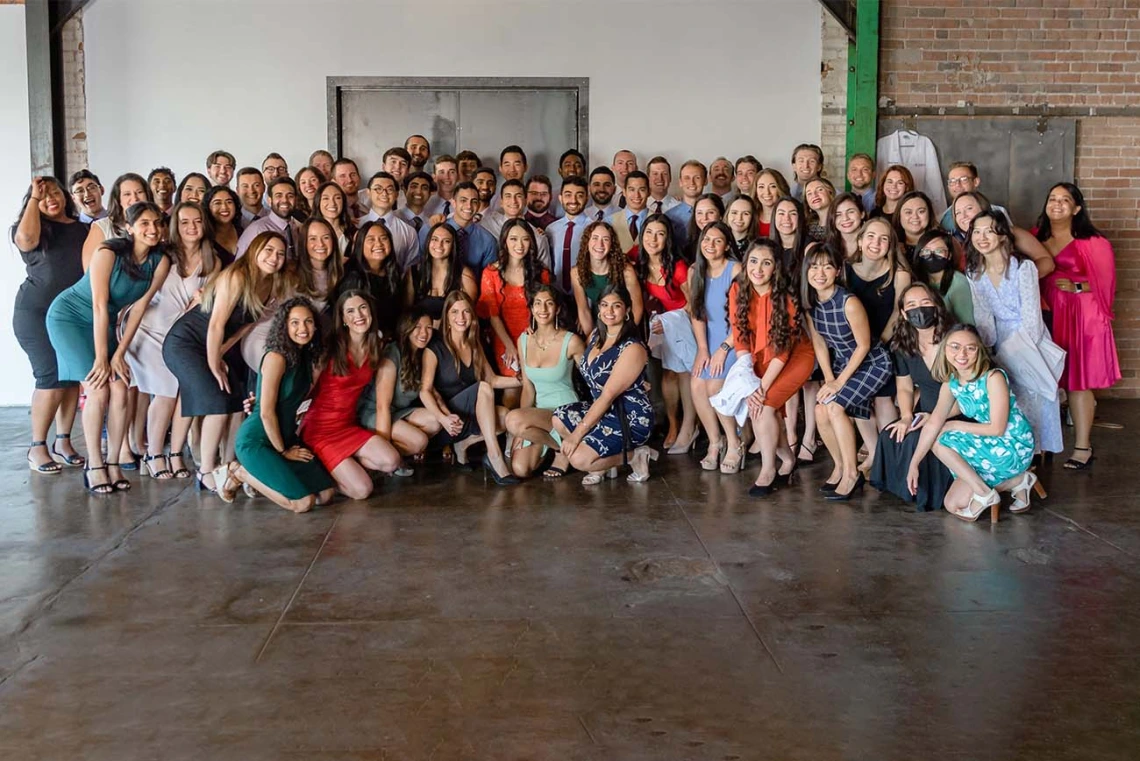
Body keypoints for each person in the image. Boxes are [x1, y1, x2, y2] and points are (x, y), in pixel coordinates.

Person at [46, 202, 170, 494]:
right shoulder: (108, 253)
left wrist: (119, 354)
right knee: (98, 386)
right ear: (129, 228)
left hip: (108, 324)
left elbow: (138, 309)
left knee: (121, 386)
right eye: (144, 224)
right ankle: (95, 463)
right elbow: (99, 306)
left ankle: (114, 461)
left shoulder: (160, 261)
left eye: (157, 223)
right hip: (72, 317)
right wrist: (103, 358)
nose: (152, 229)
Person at [164, 232, 290, 492]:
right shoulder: (237, 276)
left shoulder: (270, 286)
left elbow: (243, 328)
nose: (274, 257)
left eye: (280, 253)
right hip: (186, 342)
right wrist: (213, 363)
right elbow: (216, 324)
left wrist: (221, 353)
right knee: (218, 403)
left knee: (234, 403)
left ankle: (227, 464)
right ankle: (205, 471)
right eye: (268, 250)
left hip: (214, 346)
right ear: (254, 250)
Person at [126, 202, 221, 480]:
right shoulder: (162, 256)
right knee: (167, 390)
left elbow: (204, 302)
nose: (191, 227)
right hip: (148, 331)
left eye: (197, 221)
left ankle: (176, 453)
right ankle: (154, 453)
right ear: (174, 226)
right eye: (184, 222)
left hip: (179, 335)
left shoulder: (212, 260)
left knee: (188, 389)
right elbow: (141, 297)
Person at [906, 325, 1037, 522]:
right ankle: (1015, 482)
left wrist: (953, 425)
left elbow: (997, 428)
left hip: (1013, 444)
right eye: (955, 347)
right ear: (945, 349)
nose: (962, 354)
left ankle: (985, 493)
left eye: (970, 348)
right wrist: (914, 464)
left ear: (979, 351)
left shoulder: (994, 377)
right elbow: (934, 423)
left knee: (940, 438)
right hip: (988, 446)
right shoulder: (952, 382)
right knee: (953, 504)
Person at [222, 297, 335, 512]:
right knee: (303, 503)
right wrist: (283, 452)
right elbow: (266, 414)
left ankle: (260, 473)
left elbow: (290, 398)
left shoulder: (304, 356)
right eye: (295, 322)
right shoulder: (276, 357)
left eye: (308, 321)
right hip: (258, 440)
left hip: (284, 435)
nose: (303, 328)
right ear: (284, 326)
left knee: (326, 495)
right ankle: (240, 472)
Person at [1036, 182, 1121, 470]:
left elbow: (1107, 285)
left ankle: (1083, 446)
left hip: (1081, 319)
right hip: (1047, 316)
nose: (1057, 204)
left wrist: (1076, 284)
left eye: (1065, 200)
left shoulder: (1093, 242)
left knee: (1077, 382)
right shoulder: (1036, 237)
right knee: (1043, 382)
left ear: (1076, 208)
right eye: (1052, 198)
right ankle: (1041, 447)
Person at [965, 212, 1063, 456]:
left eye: (989, 230)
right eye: (977, 231)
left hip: (1030, 339)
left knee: (1037, 396)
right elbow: (983, 316)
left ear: (1002, 235)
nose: (982, 237)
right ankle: (1018, 454)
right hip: (1000, 338)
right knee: (1012, 398)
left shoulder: (1023, 266)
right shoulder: (974, 272)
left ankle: (1038, 454)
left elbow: (1032, 316)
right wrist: (989, 351)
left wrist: (1019, 349)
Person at [802, 242, 892, 501]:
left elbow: (864, 345)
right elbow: (819, 343)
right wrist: (829, 378)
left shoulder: (848, 302)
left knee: (835, 407)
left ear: (837, 271)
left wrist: (839, 382)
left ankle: (852, 474)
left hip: (872, 363)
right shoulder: (811, 303)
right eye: (815, 266)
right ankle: (840, 465)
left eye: (827, 266)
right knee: (820, 409)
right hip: (842, 365)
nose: (820, 272)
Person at [12, 176, 88, 474]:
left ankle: (64, 441)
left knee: (70, 379)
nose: (50, 198)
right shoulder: (34, 229)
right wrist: (34, 197)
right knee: (50, 377)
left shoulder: (82, 228)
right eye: (43, 196)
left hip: (71, 313)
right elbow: (26, 241)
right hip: (35, 312)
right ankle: (37, 446)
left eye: (55, 192)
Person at [729, 239, 815, 496]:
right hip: (757, 357)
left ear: (775, 268)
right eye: (753, 261)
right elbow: (739, 335)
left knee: (763, 407)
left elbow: (782, 351)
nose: (758, 269)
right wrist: (748, 377)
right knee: (767, 411)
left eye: (766, 263)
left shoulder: (785, 297)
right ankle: (788, 460)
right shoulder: (738, 289)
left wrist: (760, 388)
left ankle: (768, 469)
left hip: (794, 357)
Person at [301, 291, 405, 499]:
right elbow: (304, 388)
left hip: (347, 426)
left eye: (363, 308)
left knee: (391, 461)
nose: (358, 315)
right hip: (319, 430)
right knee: (362, 491)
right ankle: (324, 476)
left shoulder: (376, 346)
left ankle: (343, 467)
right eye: (350, 311)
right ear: (344, 319)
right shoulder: (329, 349)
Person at [553, 285, 657, 484]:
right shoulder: (595, 336)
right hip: (603, 409)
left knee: (578, 459)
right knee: (558, 418)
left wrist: (577, 435)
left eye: (616, 306)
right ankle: (603, 462)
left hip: (628, 417)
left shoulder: (632, 347)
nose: (609, 311)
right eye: (604, 305)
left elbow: (608, 395)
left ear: (627, 310)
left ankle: (636, 455)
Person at [869, 283, 956, 512]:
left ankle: (928, 493)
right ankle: (904, 489)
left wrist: (933, 417)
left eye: (926, 303)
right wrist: (906, 416)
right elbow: (905, 387)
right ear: (905, 314)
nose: (920, 309)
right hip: (925, 408)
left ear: (936, 306)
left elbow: (970, 391)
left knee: (921, 440)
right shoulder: (904, 345)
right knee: (893, 434)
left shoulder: (954, 339)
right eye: (912, 305)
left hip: (957, 410)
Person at [420, 291, 521, 484]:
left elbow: (493, 380)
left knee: (505, 417)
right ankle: (495, 457)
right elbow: (424, 390)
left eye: (466, 312)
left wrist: (522, 380)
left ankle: (462, 445)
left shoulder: (474, 344)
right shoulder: (435, 348)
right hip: (448, 421)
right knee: (482, 388)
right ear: (447, 317)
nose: (461, 317)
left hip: (469, 416)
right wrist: (443, 418)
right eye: (455, 312)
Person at [846, 217, 912, 470]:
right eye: (871, 237)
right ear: (860, 241)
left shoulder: (899, 273)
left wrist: (878, 346)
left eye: (884, 239)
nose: (876, 243)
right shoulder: (846, 269)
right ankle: (873, 450)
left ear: (891, 246)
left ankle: (890, 454)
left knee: (884, 399)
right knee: (856, 398)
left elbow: (898, 312)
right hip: (853, 347)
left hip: (886, 343)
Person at [505, 285, 584, 479]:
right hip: (539, 414)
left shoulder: (571, 340)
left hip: (565, 411)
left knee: (512, 419)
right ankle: (559, 448)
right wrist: (520, 431)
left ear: (557, 309)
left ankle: (565, 442)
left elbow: (592, 376)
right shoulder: (523, 340)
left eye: (549, 303)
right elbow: (528, 389)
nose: (543, 309)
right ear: (531, 308)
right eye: (538, 303)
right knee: (520, 469)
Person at [637, 214, 695, 453]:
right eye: (649, 232)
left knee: (684, 375)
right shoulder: (639, 262)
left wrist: (670, 322)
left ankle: (691, 426)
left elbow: (693, 304)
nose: (653, 238)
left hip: (684, 323)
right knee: (668, 376)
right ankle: (674, 423)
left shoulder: (678, 267)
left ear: (667, 239)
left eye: (660, 234)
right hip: (660, 326)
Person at [688, 222, 743, 474]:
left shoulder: (735, 270)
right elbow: (697, 314)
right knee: (697, 384)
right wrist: (703, 349)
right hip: (708, 340)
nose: (710, 245)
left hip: (733, 340)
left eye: (717, 240)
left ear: (727, 245)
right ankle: (715, 442)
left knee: (715, 385)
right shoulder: (695, 272)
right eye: (706, 239)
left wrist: (723, 348)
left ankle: (734, 443)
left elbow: (743, 318)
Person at [477, 218, 551, 404]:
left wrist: (534, 332)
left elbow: (546, 308)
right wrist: (510, 345)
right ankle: (513, 429)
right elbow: (493, 315)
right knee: (512, 391)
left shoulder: (540, 272)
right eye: (513, 239)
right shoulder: (491, 273)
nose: (519, 245)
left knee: (538, 389)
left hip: (535, 334)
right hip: (505, 337)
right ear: (504, 241)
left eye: (525, 239)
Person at [356, 309, 442, 461]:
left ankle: (390, 458)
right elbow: (382, 405)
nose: (424, 333)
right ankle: (378, 460)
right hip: (374, 411)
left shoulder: (421, 355)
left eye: (429, 328)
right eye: (417, 327)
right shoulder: (392, 353)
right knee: (419, 441)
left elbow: (431, 391)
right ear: (407, 328)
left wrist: (446, 417)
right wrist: (385, 449)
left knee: (435, 421)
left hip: (397, 411)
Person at [950, 191, 1055, 278]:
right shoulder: (960, 244)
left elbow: (1047, 262)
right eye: (957, 212)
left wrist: (1020, 281)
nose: (963, 216)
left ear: (983, 208)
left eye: (969, 208)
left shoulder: (1011, 233)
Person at [572, 221, 643, 336]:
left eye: (605, 239)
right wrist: (591, 341)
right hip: (599, 321)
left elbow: (637, 307)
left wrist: (621, 336)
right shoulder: (576, 272)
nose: (600, 244)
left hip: (625, 324)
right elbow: (583, 310)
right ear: (587, 243)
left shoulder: (626, 270)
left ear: (611, 245)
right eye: (595, 238)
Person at [339, 219, 403, 339]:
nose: (378, 244)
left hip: (390, 338)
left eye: (383, 238)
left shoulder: (394, 271)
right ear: (360, 244)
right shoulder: (352, 277)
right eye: (371, 240)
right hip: (361, 340)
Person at [419, 181, 497, 279]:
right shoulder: (430, 230)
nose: (469, 206)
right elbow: (419, 266)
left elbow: (489, 278)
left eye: (474, 201)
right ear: (453, 203)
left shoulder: (488, 240)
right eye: (463, 200)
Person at [405, 221, 477, 324]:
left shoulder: (464, 275)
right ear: (428, 242)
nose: (439, 245)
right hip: (420, 334)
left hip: (452, 335)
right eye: (434, 239)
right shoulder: (413, 271)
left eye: (446, 241)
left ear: (453, 246)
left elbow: (469, 315)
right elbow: (407, 313)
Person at [82, 173, 153, 268]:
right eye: (127, 194)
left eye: (139, 192)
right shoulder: (102, 226)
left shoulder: (157, 226)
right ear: (118, 199)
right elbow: (89, 271)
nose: (135, 198)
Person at [480, 179, 552, 269]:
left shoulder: (538, 238)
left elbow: (545, 275)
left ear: (526, 201)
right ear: (501, 202)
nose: (513, 201)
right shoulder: (486, 225)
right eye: (508, 196)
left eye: (518, 196)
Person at [360, 171, 419, 273]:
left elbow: (409, 271)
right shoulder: (356, 225)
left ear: (396, 195)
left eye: (390, 189)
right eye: (378, 189)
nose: (384, 193)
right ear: (368, 193)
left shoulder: (408, 232)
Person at [911, 229, 974, 325]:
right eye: (926, 251)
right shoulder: (916, 280)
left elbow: (967, 323)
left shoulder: (958, 283)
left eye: (939, 251)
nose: (932, 255)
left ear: (949, 255)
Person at [545, 176, 590, 291]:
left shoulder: (594, 229)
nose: (573, 200)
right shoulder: (551, 229)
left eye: (579, 195)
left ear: (587, 198)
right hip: (556, 292)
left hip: (586, 292)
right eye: (568, 195)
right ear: (560, 198)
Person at [236, 178, 302, 259]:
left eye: (290, 196)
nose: (285, 200)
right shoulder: (256, 230)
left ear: (296, 200)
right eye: (279, 195)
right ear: (270, 201)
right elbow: (239, 267)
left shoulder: (295, 228)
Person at [938, 161, 1010, 233]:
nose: (957, 185)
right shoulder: (942, 219)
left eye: (964, 180)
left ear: (976, 182)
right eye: (952, 181)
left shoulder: (998, 212)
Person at [295, 217, 343, 316]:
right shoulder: (292, 275)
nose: (320, 244)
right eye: (313, 238)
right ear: (304, 243)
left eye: (326, 237)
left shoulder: (341, 273)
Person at [608, 171, 649, 255]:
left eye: (642, 190)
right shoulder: (609, 221)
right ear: (624, 192)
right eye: (632, 189)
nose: (636, 195)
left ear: (649, 192)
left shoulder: (660, 220)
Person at [310, 180, 354, 255]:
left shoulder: (354, 233)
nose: (332, 203)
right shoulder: (308, 232)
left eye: (337, 198)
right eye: (326, 198)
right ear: (318, 202)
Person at [892, 191, 938, 262]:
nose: (915, 217)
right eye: (908, 212)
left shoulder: (942, 242)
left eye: (921, 211)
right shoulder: (891, 245)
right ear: (899, 216)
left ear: (929, 214)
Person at [202, 184, 242, 261]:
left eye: (229, 202)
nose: (224, 207)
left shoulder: (244, 232)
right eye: (217, 203)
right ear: (207, 207)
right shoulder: (204, 237)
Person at [682, 193, 725, 262]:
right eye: (699, 213)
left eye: (710, 212)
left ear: (721, 215)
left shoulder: (729, 242)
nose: (704, 218)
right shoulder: (688, 247)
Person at [825, 191, 865, 261]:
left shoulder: (873, 243)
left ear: (862, 214)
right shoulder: (827, 247)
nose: (845, 218)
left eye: (850, 212)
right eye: (838, 214)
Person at [753, 168, 790, 238]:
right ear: (756, 191)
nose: (767, 192)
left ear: (780, 188)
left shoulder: (789, 217)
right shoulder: (750, 216)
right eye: (761, 187)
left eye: (773, 186)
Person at [803, 177, 836, 242]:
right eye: (809, 193)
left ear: (830, 193)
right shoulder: (807, 227)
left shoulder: (841, 221)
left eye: (819, 190)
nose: (814, 195)